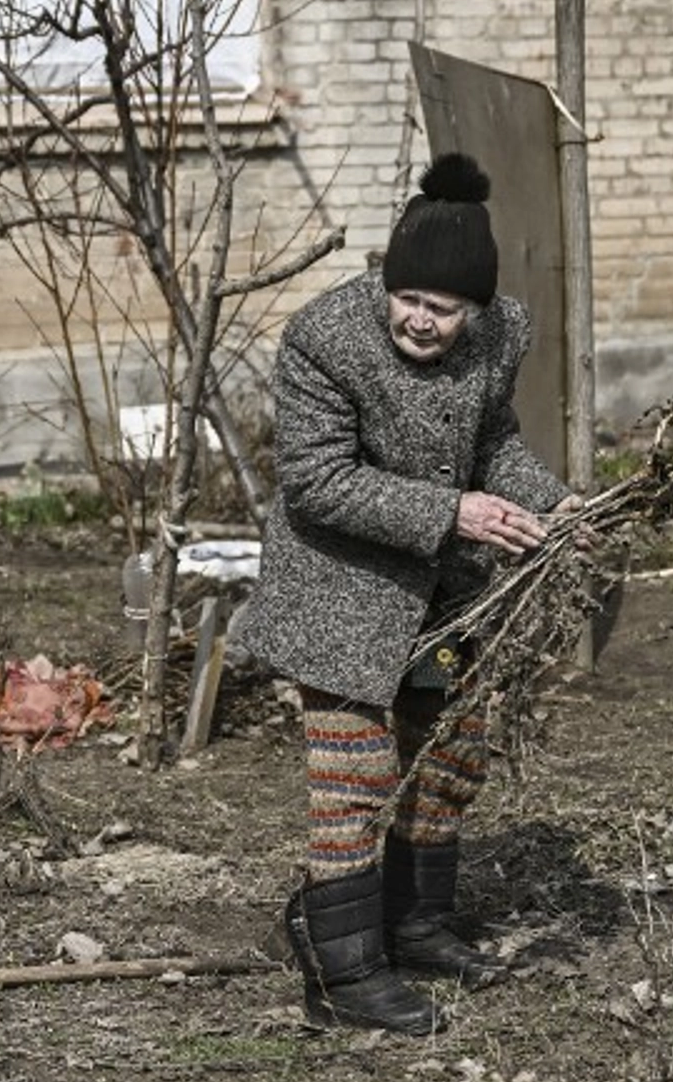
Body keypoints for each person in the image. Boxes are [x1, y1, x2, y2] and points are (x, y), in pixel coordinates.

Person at [233, 151, 577, 1035]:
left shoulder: (502, 335)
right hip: (338, 587)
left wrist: (552, 499)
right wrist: (455, 510)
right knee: (357, 776)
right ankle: (343, 974)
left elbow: (490, 437)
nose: (423, 322)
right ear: (386, 278)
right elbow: (316, 482)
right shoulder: (324, 338)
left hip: (443, 592)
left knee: (451, 753)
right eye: (411, 300)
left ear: (478, 308)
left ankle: (416, 923)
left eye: (446, 309)